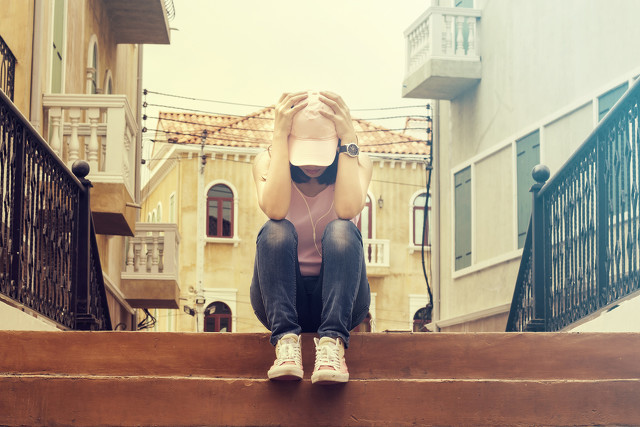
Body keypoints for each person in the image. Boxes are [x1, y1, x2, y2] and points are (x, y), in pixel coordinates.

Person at [250, 91, 373, 385]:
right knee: (275, 228)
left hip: (343, 302)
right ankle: (286, 344)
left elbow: (346, 210)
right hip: (281, 301)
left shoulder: (359, 163)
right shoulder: (265, 162)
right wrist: (279, 139)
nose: (313, 164)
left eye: (321, 151)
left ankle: (332, 344)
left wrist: (349, 138)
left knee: (342, 229)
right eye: (304, 151)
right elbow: (276, 210)